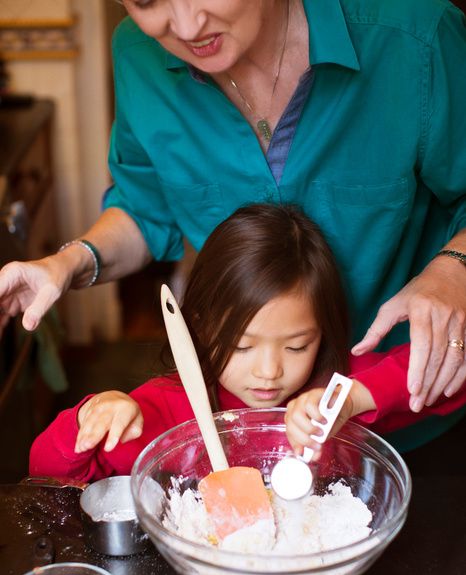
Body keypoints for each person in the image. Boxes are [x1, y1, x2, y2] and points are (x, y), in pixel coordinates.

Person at [3, 0, 466, 451]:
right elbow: (145, 209)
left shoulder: (417, 37)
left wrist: (453, 268)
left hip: (416, 407)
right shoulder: (136, 55)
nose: (186, 26)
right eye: (146, 2)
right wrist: (65, 264)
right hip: (246, 433)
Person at [29, 204, 466, 483]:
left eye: (296, 346)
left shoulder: (330, 397)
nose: (269, 371)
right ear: (198, 328)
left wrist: (356, 396)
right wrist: (91, 416)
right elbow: (45, 472)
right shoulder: (163, 410)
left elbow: (450, 376)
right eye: (241, 346)